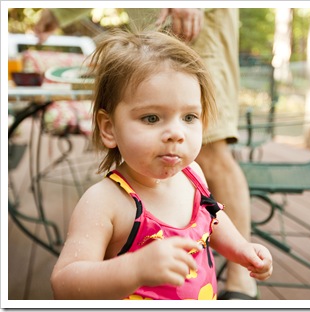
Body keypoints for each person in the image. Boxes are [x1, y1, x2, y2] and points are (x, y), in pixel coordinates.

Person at [35, 8, 258, 300]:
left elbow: (212, 220)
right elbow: (64, 282)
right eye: (152, 118)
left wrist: (242, 250)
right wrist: (135, 268)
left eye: (189, 117)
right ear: (109, 128)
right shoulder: (106, 202)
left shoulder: (192, 176)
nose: (176, 133)